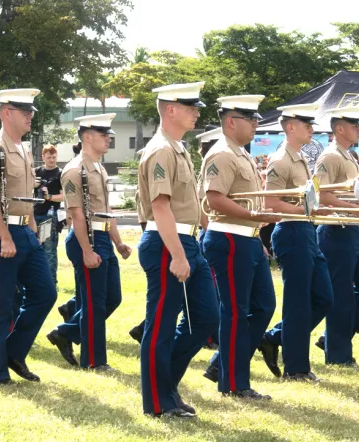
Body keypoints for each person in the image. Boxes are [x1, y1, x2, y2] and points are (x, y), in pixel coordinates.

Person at [136, 81, 219, 418]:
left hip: (186, 242)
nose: (196, 112)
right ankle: (158, 402)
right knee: (161, 324)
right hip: (167, 244)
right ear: (170, 109)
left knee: (207, 317)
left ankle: (166, 386)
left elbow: (189, 203)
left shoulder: (178, 149)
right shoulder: (161, 150)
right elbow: (160, 207)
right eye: (190, 107)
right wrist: (179, 255)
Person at [198, 95, 280, 400]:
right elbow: (214, 199)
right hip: (230, 239)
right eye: (251, 118)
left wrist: (257, 231)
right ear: (231, 122)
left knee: (264, 306)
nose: (257, 123)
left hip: (248, 238)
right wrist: (254, 217)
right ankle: (234, 383)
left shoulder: (241, 154)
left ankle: (222, 365)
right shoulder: (222, 154)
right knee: (236, 313)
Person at [0, 88, 56, 383]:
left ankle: (13, 352)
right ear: (6, 113)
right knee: (2, 301)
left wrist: (32, 225)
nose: (30, 116)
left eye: (31, 111)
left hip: (24, 229)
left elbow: (25, 193)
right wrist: (5, 236)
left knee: (45, 293)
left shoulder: (22, 148)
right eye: (25, 111)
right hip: (1, 231)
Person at [45, 113, 132, 370]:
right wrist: (86, 250)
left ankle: (65, 332)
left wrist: (118, 242)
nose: (108, 139)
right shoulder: (75, 170)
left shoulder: (99, 167)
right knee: (94, 304)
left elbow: (106, 210)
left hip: (102, 237)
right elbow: (76, 214)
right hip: (88, 239)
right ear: (87, 137)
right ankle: (94, 361)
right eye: (103, 135)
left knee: (112, 298)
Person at [257, 103, 335, 383]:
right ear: (290, 127)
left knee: (323, 298)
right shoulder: (281, 160)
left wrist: (312, 210)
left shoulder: (299, 157)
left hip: (305, 231)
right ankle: (296, 368)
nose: (311, 129)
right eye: (306, 124)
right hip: (291, 231)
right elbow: (270, 202)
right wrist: (305, 210)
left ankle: (274, 337)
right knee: (298, 303)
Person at [313, 106, 359, 367]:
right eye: (354, 125)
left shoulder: (348, 156)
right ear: (339, 129)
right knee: (341, 296)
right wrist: (357, 209)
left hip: (352, 229)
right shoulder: (330, 156)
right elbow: (321, 195)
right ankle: (338, 355)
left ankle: (333, 337)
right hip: (336, 230)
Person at [34, 144, 64, 284]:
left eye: (54, 157)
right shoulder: (36, 172)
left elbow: (64, 196)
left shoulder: (60, 173)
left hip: (50, 215)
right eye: (49, 157)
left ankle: (51, 282)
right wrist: (33, 185)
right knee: (34, 249)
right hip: (34, 214)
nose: (52, 160)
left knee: (49, 250)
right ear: (43, 157)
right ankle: (36, 281)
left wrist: (49, 196)